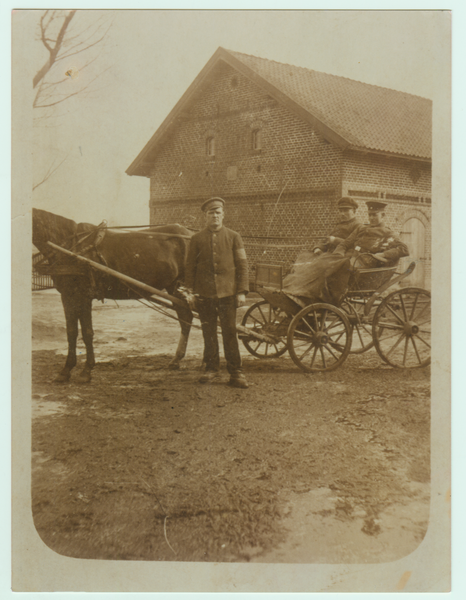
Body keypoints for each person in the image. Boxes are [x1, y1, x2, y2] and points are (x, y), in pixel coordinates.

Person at [185, 197, 249, 389]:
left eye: (218, 213)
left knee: (230, 333)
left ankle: (236, 372)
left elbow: (242, 266)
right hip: (205, 294)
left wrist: (241, 291)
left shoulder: (234, 236)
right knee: (209, 332)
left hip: (228, 294)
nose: (215, 216)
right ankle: (211, 368)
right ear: (206, 216)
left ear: (223, 214)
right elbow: (190, 267)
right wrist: (190, 292)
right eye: (211, 213)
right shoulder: (196, 239)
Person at [333, 201, 409, 267]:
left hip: (365, 265)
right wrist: (338, 255)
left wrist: (383, 254)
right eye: (370, 215)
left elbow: (404, 249)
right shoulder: (361, 229)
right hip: (350, 259)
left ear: (382, 215)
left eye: (374, 215)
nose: (371, 218)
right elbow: (344, 244)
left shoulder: (388, 233)